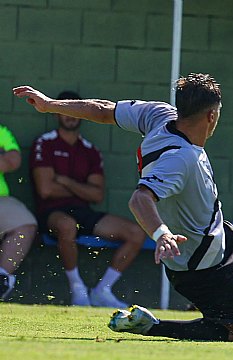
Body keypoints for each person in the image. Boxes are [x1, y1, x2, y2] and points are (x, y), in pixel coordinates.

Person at [14, 73, 233, 342]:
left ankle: (215, 308)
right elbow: (140, 198)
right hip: (201, 266)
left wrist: (49, 104)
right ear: (211, 116)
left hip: (221, 234)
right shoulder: (181, 159)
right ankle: (155, 325)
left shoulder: (160, 114)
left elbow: (103, 110)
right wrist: (162, 235)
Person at [29, 91, 147, 308]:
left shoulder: (90, 150)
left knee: (137, 232)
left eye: (73, 110)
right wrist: (82, 189)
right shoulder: (44, 143)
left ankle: (103, 291)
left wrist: (64, 181)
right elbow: (45, 190)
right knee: (67, 226)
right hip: (52, 213)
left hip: (84, 212)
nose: (69, 116)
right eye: (63, 110)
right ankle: (78, 290)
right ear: (56, 114)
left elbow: (97, 195)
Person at [0, 124, 37, 300]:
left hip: (0, 199)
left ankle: (1, 279)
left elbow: (13, 161)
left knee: (25, 223)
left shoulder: (1, 131)